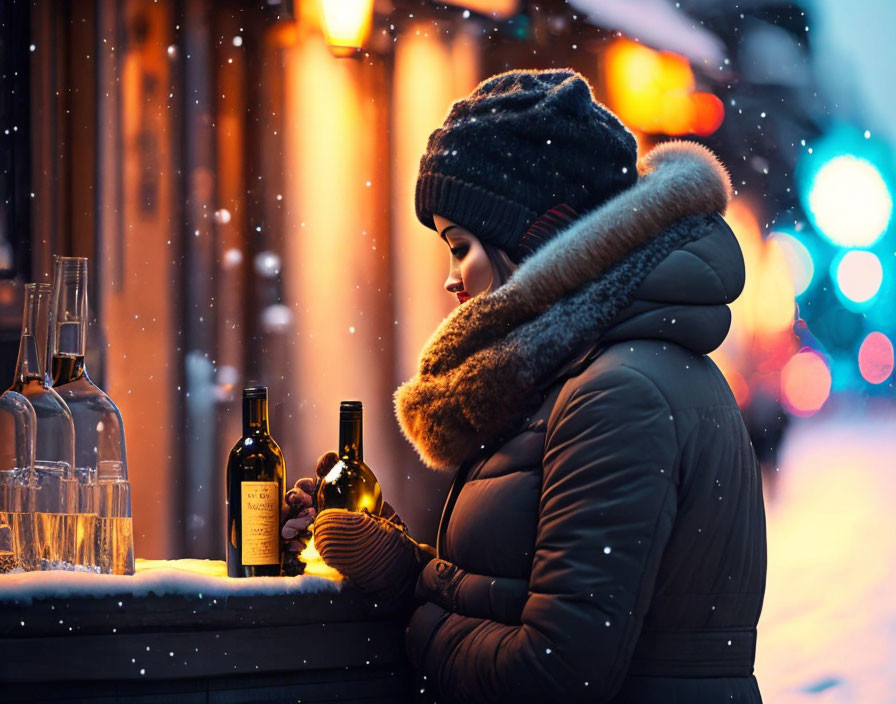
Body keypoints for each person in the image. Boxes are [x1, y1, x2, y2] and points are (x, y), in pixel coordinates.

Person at [284, 68, 767, 703]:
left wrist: (412, 607)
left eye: (460, 246)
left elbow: (553, 673)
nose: (451, 281)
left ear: (536, 237)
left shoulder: (618, 394)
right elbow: (534, 595)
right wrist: (405, 565)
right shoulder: (579, 376)